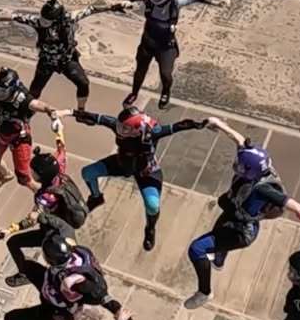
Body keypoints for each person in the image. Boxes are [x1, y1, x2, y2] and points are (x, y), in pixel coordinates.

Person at [184, 118, 300, 310]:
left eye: (241, 166)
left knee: (196, 249)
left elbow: (299, 209)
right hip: (233, 214)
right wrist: (218, 124)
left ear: (250, 171)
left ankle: (204, 293)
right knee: (222, 217)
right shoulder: (256, 165)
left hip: (240, 231)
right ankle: (219, 259)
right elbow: (239, 139)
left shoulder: (263, 189)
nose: (237, 165)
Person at [0, 233, 143, 320]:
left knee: (12, 318)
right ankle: (25, 274)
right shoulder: (79, 253)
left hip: (56, 314)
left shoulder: (73, 280)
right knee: (26, 265)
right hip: (50, 287)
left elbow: (101, 295)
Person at [68, 104, 205, 251]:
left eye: (125, 128)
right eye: (119, 126)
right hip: (121, 163)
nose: (120, 130)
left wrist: (202, 124)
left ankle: (150, 228)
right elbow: (95, 117)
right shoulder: (119, 126)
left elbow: (179, 126)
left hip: (146, 172)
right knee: (87, 173)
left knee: (153, 205)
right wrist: (67, 112)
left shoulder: (153, 132)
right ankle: (96, 197)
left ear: (136, 129)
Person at [0, 0, 114, 110]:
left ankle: (81, 111)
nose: (43, 21)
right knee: (34, 91)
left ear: (57, 19)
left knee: (83, 83)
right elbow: (16, 16)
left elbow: (91, 10)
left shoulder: (70, 19)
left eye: (47, 20)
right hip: (47, 61)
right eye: (43, 18)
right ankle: (27, 110)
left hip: (66, 60)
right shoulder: (38, 22)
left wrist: (114, 6)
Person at [114, 0, 228, 109]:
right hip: (148, 43)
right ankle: (134, 93)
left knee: (166, 74)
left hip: (166, 46)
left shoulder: (177, 2)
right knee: (140, 71)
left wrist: (216, 3)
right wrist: (126, 2)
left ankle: (165, 92)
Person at [2, 127, 89, 287]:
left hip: (54, 233)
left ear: (42, 176)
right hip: (64, 228)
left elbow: (32, 219)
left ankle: (28, 275)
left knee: (13, 243)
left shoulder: (47, 197)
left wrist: (10, 230)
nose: (31, 173)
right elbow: (61, 150)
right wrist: (58, 130)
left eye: (34, 172)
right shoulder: (59, 171)